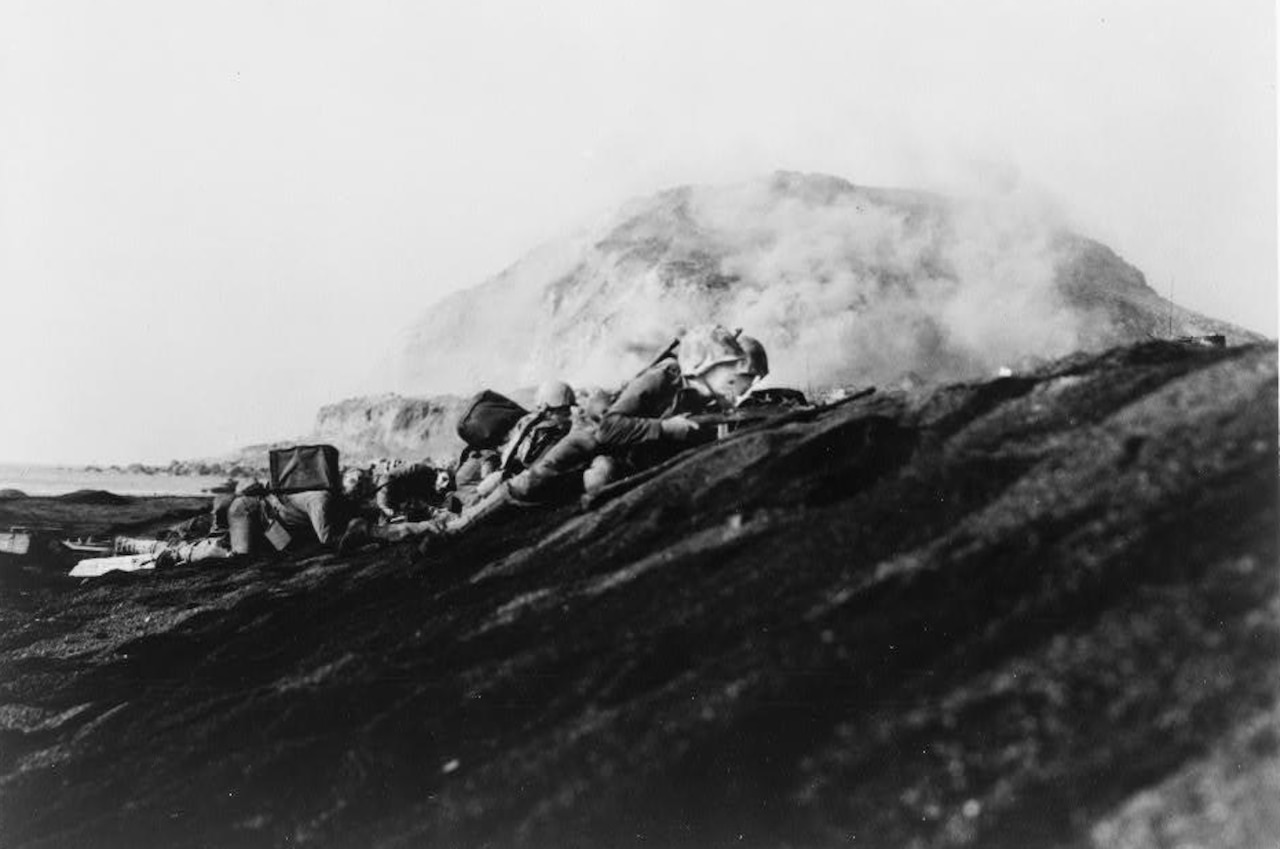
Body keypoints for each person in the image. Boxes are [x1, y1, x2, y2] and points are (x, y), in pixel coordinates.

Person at [414, 324, 768, 550]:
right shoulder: (663, 379)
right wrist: (666, 428)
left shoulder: (701, 394)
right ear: (706, 366)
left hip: (619, 455)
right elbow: (608, 428)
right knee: (526, 486)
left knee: (599, 478)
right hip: (588, 440)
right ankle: (452, 534)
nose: (737, 389)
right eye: (733, 377)